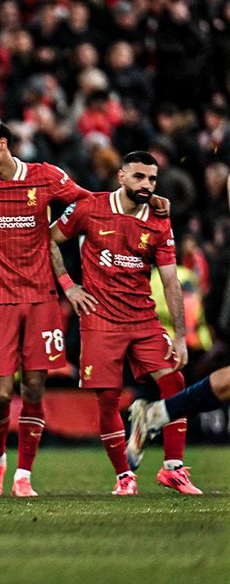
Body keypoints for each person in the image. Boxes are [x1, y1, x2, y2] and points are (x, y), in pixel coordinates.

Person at [49, 151, 201, 495]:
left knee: (175, 382)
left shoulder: (159, 221)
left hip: (142, 319)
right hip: (100, 321)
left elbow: (171, 281)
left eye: (152, 179)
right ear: (121, 176)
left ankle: (173, 469)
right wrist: (69, 286)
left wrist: (179, 336)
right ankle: (124, 477)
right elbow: (49, 238)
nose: (146, 185)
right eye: (139, 177)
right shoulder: (90, 207)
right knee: (108, 398)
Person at [0, 123, 92, 497]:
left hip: (41, 299)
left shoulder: (44, 176)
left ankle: (23, 475)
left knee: (33, 388)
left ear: (2, 144)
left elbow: (87, 202)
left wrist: (59, 229)